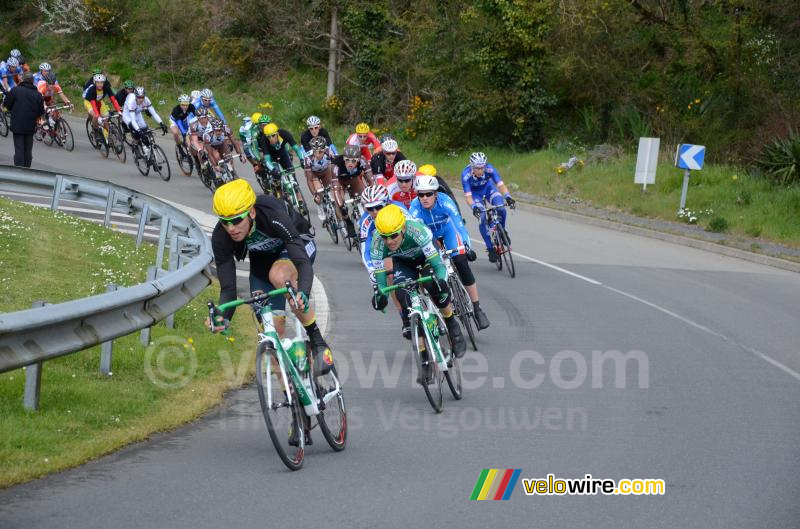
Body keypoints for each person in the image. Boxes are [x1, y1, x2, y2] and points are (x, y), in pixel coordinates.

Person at [369, 204, 467, 363]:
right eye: (384, 236)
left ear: (402, 229)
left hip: (426, 258)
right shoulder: (377, 243)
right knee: (402, 295)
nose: (389, 241)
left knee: (433, 286)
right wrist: (380, 296)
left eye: (393, 235)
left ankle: (451, 322)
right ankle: (423, 356)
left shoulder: (417, 231)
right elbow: (382, 283)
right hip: (404, 263)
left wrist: (441, 281)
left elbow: (438, 266)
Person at [409, 175, 490, 329]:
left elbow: (459, 225)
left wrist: (467, 247)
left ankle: (477, 308)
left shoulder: (445, 201)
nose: (425, 198)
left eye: (428, 194)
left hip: (448, 231)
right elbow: (418, 233)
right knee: (433, 274)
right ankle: (443, 311)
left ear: (436, 194)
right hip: (429, 236)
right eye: (421, 194)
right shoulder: (414, 208)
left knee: (461, 262)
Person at [358, 185, 412, 337]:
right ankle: (405, 319)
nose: (374, 212)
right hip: (386, 249)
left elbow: (414, 230)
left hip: (406, 243)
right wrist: (372, 271)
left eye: (378, 207)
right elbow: (366, 250)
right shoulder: (366, 222)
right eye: (370, 208)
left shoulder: (399, 210)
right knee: (390, 276)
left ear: (387, 203)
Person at [461, 152, 516, 263]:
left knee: (501, 208)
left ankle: (502, 231)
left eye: (482, 168)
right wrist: (473, 207)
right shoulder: (465, 175)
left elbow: (500, 185)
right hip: (475, 195)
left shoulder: (490, 169)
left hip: (489, 189)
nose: (481, 170)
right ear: (472, 167)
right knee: (482, 218)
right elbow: (468, 197)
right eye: (478, 168)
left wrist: (508, 197)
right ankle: (490, 249)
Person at [331, 144, 374, 237]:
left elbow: (371, 180)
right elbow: (335, 189)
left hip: (354, 179)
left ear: (358, 160)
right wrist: (341, 205)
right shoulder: (336, 164)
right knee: (340, 204)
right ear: (343, 159)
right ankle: (348, 222)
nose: (350, 163)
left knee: (367, 198)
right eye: (347, 160)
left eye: (354, 161)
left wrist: (372, 194)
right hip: (339, 183)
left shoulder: (363, 161)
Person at [4, 71, 44, 167]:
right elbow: (41, 111)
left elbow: (7, 105)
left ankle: (19, 171)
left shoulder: (15, 90)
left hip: (17, 125)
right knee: (28, 150)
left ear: (22, 79)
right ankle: (27, 169)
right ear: (32, 81)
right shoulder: (38, 94)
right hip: (30, 126)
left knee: (19, 149)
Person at [302, 136, 342, 223]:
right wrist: (315, 194)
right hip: (314, 174)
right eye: (316, 152)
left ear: (324, 149)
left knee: (332, 191)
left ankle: (336, 212)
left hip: (325, 172)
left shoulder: (328, 152)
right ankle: (320, 206)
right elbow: (309, 180)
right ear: (313, 150)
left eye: (321, 151)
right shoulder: (308, 158)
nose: (318, 154)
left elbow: (335, 167)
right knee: (319, 192)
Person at [122, 86, 167, 155]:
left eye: (142, 97)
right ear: (135, 96)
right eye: (139, 97)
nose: (141, 99)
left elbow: (154, 113)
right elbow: (133, 120)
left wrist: (161, 123)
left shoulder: (146, 100)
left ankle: (147, 148)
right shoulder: (132, 102)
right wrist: (139, 131)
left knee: (145, 129)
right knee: (136, 131)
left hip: (137, 113)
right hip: (128, 115)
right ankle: (135, 145)